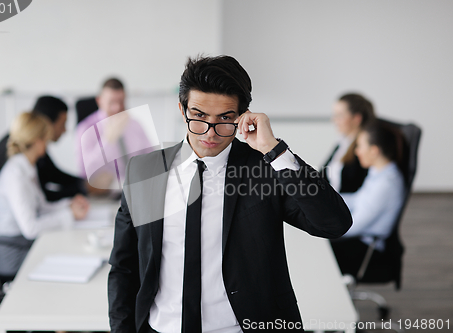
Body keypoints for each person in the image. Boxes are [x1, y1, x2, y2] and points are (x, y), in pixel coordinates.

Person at [108, 55, 353, 332]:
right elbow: (123, 266)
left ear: (242, 117)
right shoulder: (145, 171)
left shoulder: (265, 169)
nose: (210, 133)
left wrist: (275, 151)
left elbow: (334, 223)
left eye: (225, 119)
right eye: (199, 117)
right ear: (182, 109)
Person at [0, 112, 89, 279]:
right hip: (13, 252)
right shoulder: (16, 175)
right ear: (37, 140)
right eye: (46, 139)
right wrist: (69, 215)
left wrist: (69, 205)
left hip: (24, 243)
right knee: (66, 261)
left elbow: (41, 206)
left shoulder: (28, 166)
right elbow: (31, 228)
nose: (48, 144)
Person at [0, 96, 86, 217]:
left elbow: (54, 175)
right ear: (46, 124)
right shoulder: (18, 156)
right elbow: (41, 199)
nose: (65, 130)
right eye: (62, 124)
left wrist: (82, 185)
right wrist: (80, 191)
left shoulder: (29, 147)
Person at [330, 119, 406, 277]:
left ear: (374, 150)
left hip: (365, 249)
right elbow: (357, 199)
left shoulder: (386, 184)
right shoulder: (378, 172)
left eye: (360, 146)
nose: (357, 151)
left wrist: (319, 224)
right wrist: (326, 201)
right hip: (358, 237)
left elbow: (353, 226)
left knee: (317, 248)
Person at [75, 78, 152, 195]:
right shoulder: (86, 129)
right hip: (103, 196)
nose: (116, 108)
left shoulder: (135, 125)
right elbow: (85, 173)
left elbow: (151, 158)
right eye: (111, 102)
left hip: (135, 192)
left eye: (121, 102)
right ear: (99, 100)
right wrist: (108, 140)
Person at [323, 93, 376, 193]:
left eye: (339, 115)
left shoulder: (362, 150)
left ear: (356, 118)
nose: (334, 120)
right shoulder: (342, 142)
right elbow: (323, 173)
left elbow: (354, 190)